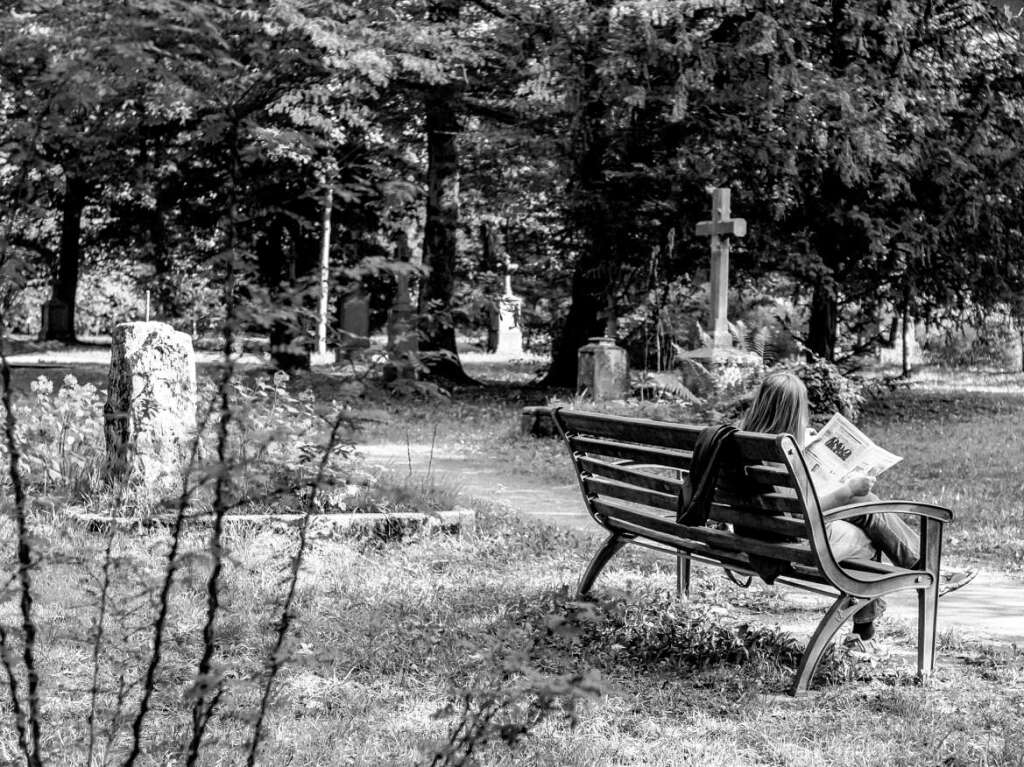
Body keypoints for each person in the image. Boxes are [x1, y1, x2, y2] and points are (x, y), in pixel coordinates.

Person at [740, 371, 976, 649]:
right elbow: (801, 512)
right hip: (793, 543)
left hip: (761, 537)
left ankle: (880, 609)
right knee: (868, 525)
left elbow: (786, 504)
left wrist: (802, 450)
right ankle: (924, 570)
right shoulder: (780, 452)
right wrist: (847, 490)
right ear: (792, 412)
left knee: (866, 508)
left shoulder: (748, 441)